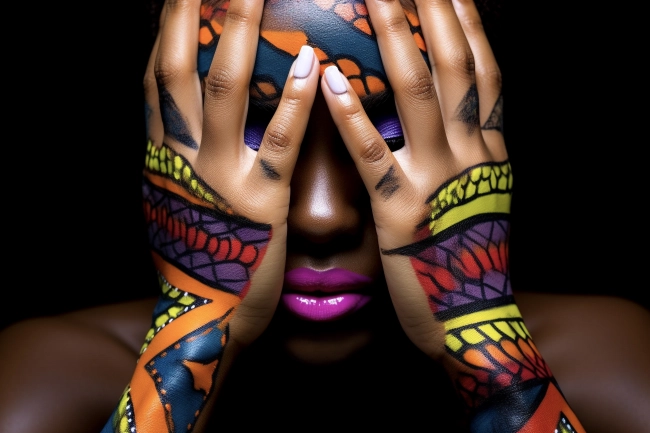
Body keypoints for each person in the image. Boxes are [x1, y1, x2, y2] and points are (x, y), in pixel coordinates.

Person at [1, 0, 649, 431]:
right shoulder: (48, 381)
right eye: (253, 133)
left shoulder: (610, 364)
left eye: (389, 134)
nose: (321, 215)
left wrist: (480, 329)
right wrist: (199, 313)